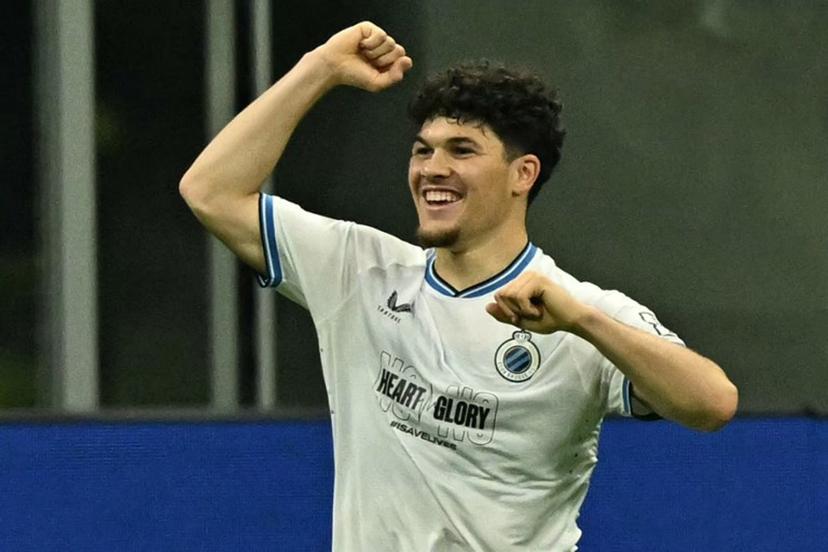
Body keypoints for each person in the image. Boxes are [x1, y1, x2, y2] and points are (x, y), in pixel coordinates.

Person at [180, 21, 738, 552]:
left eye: (461, 150)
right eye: (423, 149)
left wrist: (583, 324)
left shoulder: (576, 310)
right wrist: (321, 66)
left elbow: (712, 403)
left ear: (523, 174)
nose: (431, 168)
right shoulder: (358, 269)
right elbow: (210, 192)